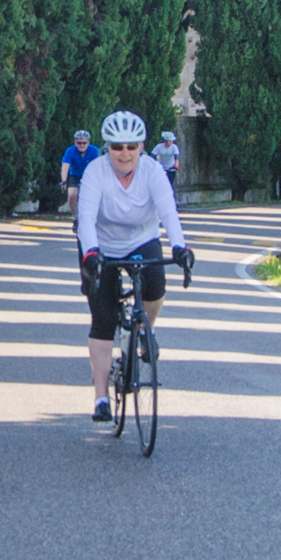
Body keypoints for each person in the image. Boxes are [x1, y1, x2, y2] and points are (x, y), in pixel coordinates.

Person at [77, 110, 194, 423]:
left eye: (131, 146)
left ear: (142, 146)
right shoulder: (95, 171)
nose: (125, 153)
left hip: (142, 239)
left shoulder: (153, 171)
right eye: (117, 147)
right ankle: (101, 397)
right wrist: (90, 254)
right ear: (107, 148)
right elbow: (85, 218)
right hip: (100, 245)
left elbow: (169, 212)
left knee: (156, 284)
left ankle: (144, 330)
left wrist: (180, 247)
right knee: (103, 316)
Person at [60, 130, 99, 219]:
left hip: (89, 176)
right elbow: (65, 166)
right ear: (75, 142)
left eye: (84, 143)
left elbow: (97, 166)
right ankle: (75, 217)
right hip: (75, 176)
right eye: (79, 143)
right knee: (71, 196)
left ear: (88, 142)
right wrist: (64, 180)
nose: (81, 145)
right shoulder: (70, 150)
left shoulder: (94, 150)